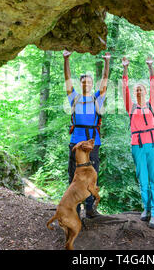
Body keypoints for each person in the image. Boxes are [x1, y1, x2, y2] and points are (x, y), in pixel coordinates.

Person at [63, 49, 110, 218]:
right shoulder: (74, 97)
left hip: (93, 142)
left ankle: (90, 209)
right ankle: (74, 209)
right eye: (84, 82)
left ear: (92, 85)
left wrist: (107, 61)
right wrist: (66, 59)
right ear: (81, 84)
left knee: (92, 175)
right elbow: (67, 80)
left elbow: (105, 80)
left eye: (89, 82)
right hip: (76, 141)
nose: (87, 84)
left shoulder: (97, 98)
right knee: (74, 176)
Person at [122, 55, 154, 229]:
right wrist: (125, 68)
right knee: (143, 180)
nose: (139, 91)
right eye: (136, 90)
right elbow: (124, 88)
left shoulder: (151, 105)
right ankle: (146, 208)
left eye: (141, 89)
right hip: (137, 146)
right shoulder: (130, 107)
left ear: (145, 92)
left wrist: (150, 66)